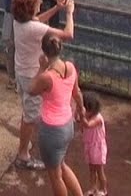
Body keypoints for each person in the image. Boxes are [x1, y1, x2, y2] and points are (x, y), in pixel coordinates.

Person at [11, 0, 75, 171]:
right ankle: (23, 156)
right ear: (31, 8)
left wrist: (56, 8)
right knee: (30, 116)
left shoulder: (19, 22)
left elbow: (38, 21)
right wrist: (69, 12)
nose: (40, 3)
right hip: (32, 75)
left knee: (28, 112)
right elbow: (67, 35)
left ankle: (25, 145)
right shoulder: (33, 28)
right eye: (38, 2)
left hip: (22, 72)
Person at [28, 32, 86, 196]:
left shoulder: (47, 77)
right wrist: (80, 110)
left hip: (51, 130)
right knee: (61, 164)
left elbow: (31, 89)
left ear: (44, 51)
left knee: (55, 176)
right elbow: (77, 93)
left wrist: (40, 67)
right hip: (68, 125)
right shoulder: (70, 67)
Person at [80, 92, 108, 196]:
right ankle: (93, 188)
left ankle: (104, 190)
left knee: (99, 170)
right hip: (89, 146)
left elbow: (87, 125)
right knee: (91, 169)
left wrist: (81, 116)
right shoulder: (87, 117)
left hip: (98, 148)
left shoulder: (98, 118)